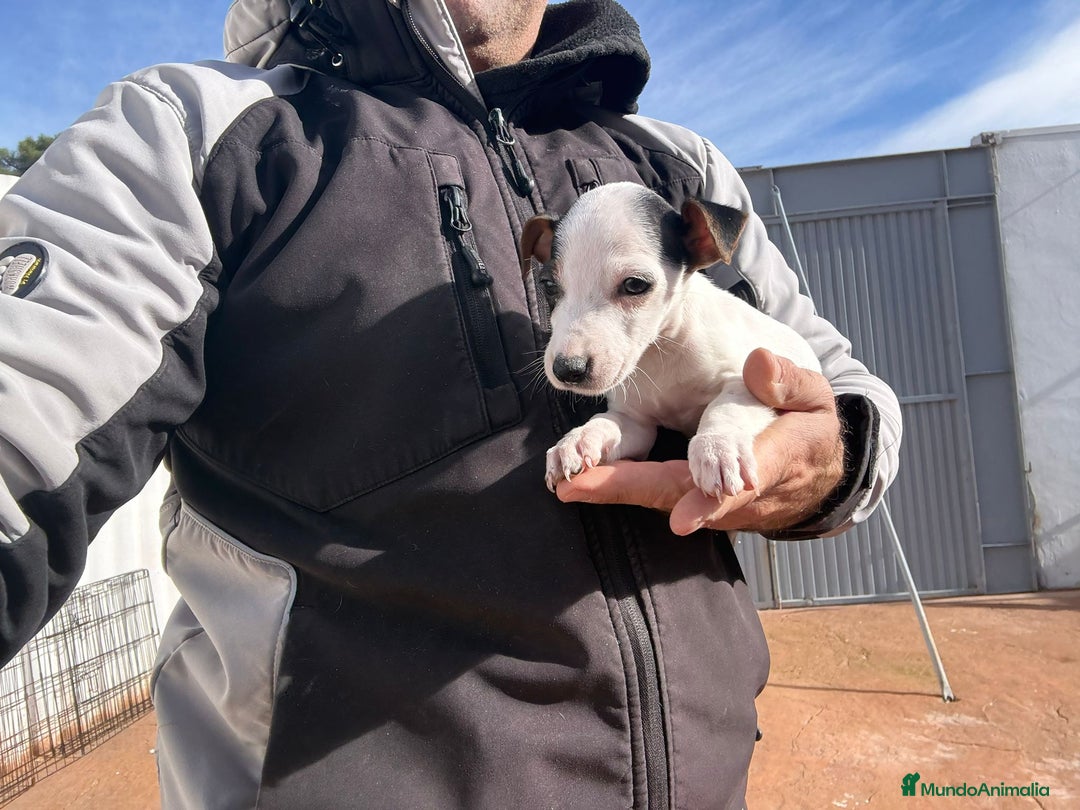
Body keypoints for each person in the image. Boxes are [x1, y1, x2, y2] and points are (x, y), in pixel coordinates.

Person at [0, 0, 901, 807]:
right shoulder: (201, 133)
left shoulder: (677, 166)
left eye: (631, 288)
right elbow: (26, 408)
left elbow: (841, 392)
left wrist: (825, 459)